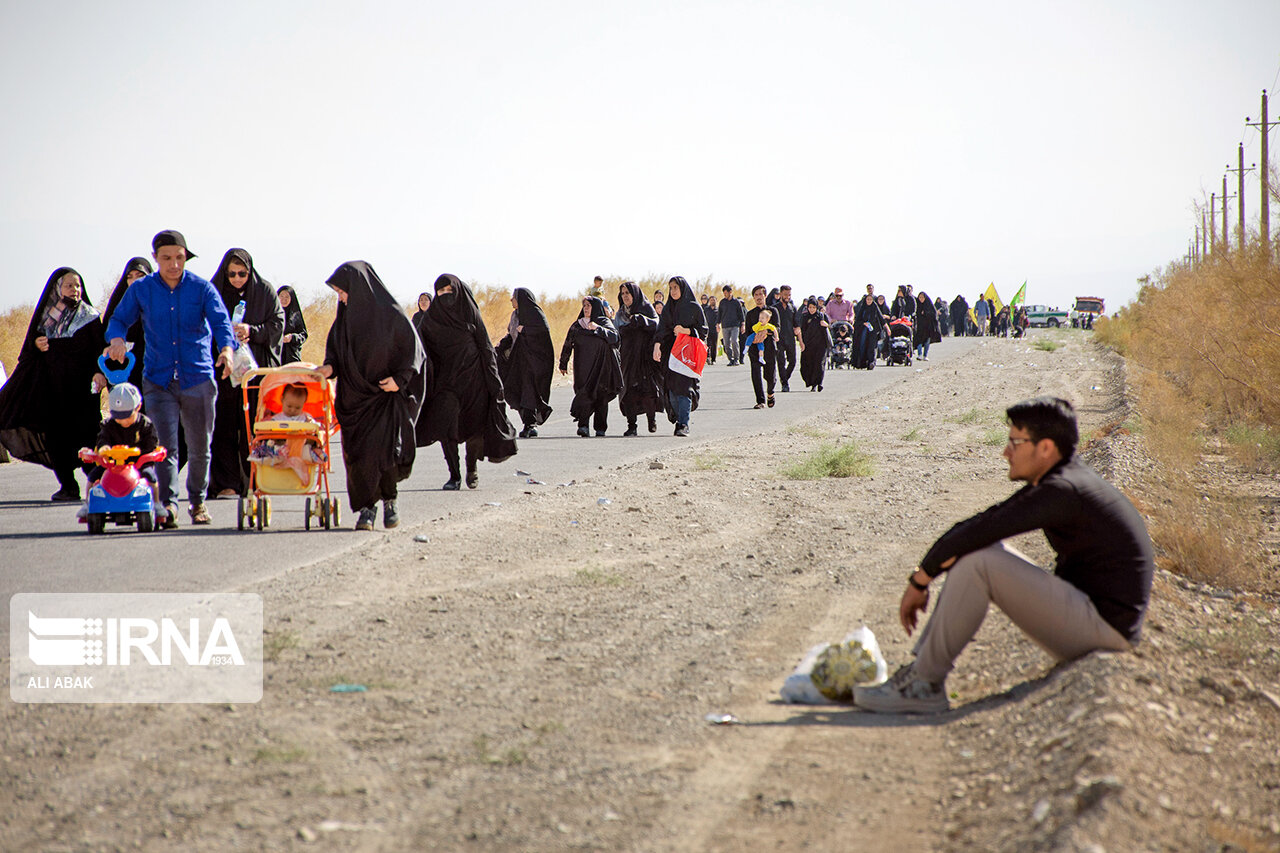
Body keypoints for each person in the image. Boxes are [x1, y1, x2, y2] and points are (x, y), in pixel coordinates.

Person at [855, 397, 1154, 714]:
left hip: (1105, 631)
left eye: (1015, 442)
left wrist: (919, 581)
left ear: (1045, 449)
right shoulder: (1064, 479)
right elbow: (983, 525)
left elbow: (980, 529)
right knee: (980, 551)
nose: (1006, 452)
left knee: (980, 561)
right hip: (1095, 619)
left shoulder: (1063, 490)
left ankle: (924, 684)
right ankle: (921, 674)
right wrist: (923, 577)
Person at [104, 231, 236, 527]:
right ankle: (169, 505)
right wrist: (116, 339)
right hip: (158, 379)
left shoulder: (202, 289)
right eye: (167, 258)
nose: (174, 264)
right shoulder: (142, 289)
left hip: (198, 377)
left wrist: (227, 350)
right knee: (164, 446)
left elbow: (221, 322)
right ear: (156, 258)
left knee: (200, 444)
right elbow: (118, 319)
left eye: (179, 257)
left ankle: (198, 502)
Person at [318, 261, 427, 530]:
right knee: (358, 459)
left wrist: (399, 381)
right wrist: (328, 368)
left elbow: (414, 351)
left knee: (386, 453)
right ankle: (366, 509)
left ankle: (390, 501)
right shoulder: (343, 320)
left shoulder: (391, 315)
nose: (341, 298)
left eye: (343, 292)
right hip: (353, 401)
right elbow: (336, 353)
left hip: (384, 397)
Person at [0, 267, 108, 501]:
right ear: (58, 288)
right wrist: (36, 345)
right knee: (57, 436)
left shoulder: (90, 317)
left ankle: (98, 483)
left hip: (83, 392)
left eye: (78, 285)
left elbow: (100, 350)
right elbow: (28, 353)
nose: (75, 290)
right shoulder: (46, 318)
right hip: (53, 391)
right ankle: (68, 486)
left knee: (88, 434)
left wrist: (101, 374)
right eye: (69, 285)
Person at [417, 273, 517, 490]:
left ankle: (471, 468)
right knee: (446, 428)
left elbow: (486, 347)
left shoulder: (469, 313)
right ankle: (454, 475)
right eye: (440, 292)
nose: (445, 296)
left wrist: (494, 378)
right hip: (445, 383)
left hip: (474, 380)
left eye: (449, 291)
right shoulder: (432, 318)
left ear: (458, 292)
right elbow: (418, 349)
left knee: (474, 428)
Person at [208, 248, 284, 500]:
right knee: (224, 427)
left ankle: (256, 481)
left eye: (242, 273)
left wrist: (253, 331)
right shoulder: (213, 291)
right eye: (232, 274)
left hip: (255, 374)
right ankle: (227, 483)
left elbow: (277, 324)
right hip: (224, 371)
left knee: (254, 427)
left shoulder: (264, 292)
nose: (237, 279)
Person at [79, 382, 162, 522]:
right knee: (93, 475)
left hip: (138, 463)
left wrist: (140, 453)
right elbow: (103, 439)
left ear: (138, 407)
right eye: (118, 416)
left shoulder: (145, 424)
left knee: (150, 476)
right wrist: (103, 448)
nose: (123, 421)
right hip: (113, 465)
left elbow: (151, 444)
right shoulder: (108, 425)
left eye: (127, 416)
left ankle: (157, 503)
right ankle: (88, 504)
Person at [559, 296, 622, 437]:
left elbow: (615, 338)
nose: (586, 308)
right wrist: (563, 362)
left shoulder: (604, 322)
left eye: (589, 305)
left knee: (601, 396)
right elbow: (568, 343)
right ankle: (583, 426)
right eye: (584, 305)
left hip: (601, 367)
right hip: (582, 367)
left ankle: (600, 428)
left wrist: (598, 328)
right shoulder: (577, 325)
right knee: (584, 394)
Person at [495, 288, 554, 438]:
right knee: (514, 390)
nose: (511, 300)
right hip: (517, 361)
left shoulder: (535, 314)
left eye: (514, 297)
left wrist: (526, 330)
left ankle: (530, 425)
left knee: (528, 391)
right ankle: (528, 423)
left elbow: (543, 335)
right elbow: (512, 335)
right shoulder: (515, 315)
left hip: (533, 363)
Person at [652, 275, 706, 436]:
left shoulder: (694, 307)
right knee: (671, 390)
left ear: (683, 288)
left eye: (676, 287)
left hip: (687, 355)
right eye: (671, 288)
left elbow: (703, 331)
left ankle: (683, 424)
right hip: (670, 355)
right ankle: (678, 418)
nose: (673, 291)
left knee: (684, 389)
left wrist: (687, 331)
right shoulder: (668, 308)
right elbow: (661, 329)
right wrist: (657, 346)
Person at [247, 383, 327, 481]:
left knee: (311, 443)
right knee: (268, 444)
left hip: (300, 447)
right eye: (289, 406)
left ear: (303, 404)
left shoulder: (305, 418)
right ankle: (289, 461)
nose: (292, 410)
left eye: (297, 407)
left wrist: (316, 428)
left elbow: (316, 428)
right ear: (282, 400)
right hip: (281, 446)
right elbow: (264, 429)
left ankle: (294, 461)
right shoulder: (276, 419)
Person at [615, 281, 661, 436]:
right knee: (628, 392)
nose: (625, 296)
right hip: (627, 358)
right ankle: (631, 426)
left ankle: (651, 419)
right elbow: (616, 334)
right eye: (623, 293)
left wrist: (642, 320)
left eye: (628, 293)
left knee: (647, 390)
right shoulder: (620, 314)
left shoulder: (646, 308)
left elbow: (656, 324)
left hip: (644, 358)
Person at [101, 257, 154, 390]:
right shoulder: (118, 307)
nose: (134, 280)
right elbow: (105, 339)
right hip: (125, 378)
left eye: (140, 275)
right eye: (130, 277)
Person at [744, 285, 779, 409]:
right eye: (756, 295)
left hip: (769, 347)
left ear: (765, 296)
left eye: (761, 294)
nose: (759, 297)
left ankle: (770, 393)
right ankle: (760, 401)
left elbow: (777, 328)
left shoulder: (772, 312)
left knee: (770, 375)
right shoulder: (750, 314)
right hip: (755, 348)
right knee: (755, 373)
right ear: (753, 297)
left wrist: (766, 333)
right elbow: (747, 332)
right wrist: (754, 338)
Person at [796, 297, 830, 391]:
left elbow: (829, 326)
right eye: (810, 307)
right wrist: (801, 343)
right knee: (808, 364)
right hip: (808, 345)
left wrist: (825, 324)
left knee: (819, 364)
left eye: (814, 307)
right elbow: (801, 330)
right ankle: (811, 382)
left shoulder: (821, 316)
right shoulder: (805, 317)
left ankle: (818, 383)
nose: (812, 309)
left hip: (820, 345)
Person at [769, 285, 797, 392]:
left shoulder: (792, 308)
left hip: (790, 338)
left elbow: (796, 324)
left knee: (793, 361)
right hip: (778, 339)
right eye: (785, 294)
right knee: (781, 362)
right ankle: (785, 384)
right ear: (780, 294)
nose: (787, 297)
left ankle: (784, 377)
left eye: (789, 295)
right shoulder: (775, 308)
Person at [853, 292, 885, 370]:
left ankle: (871, 362)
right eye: (867, 299)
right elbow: (857, 321)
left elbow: (881, 319)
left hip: (873, 331)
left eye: (870, 299)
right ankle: (862, 363)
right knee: (862, 345)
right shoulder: (862, 308)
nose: (869, 301)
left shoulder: (875, 307)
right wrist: (864, 323)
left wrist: (887, 328)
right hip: (863, 330)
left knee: (871, 346)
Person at [277, 285, 308, 364]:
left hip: (291, 358)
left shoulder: (295, 315)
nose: (284, 299)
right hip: (275, 357)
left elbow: (303, 335)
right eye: (281, 296)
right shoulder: (271, 314)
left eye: (287, 297)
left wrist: (292, 337)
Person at [716, 285, 746, 366]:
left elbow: (741, 314)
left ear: (730, 292)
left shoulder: (736, 302)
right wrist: (717, 324)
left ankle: (736, 359)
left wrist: (743, 325)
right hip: (725, 325)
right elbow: (719, 314)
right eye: (724, 293)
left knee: (734, 341)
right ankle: (731, 359)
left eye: (726, 293)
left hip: (735, 326)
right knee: (726, 344)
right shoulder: (722, 302)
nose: (725, 295)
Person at [913, 291, 940, 361]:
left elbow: (934, 314)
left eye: (922, 297)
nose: (921, 299)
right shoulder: (917, 305)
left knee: (927, 341)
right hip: (919, 326)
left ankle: (925, 355)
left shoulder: (929, 305)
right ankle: (919, 355)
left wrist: (925, 313)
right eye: (920, 297)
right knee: (919, 340)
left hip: (928, 327)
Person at [700, 294, 719, 365]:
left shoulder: (718, 310)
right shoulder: (706, 309)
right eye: (711, 300)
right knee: (707, 344)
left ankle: (713, 359)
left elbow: (720, 319)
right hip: (707, 329)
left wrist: (718, 325)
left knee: (714, 344)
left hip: (715, 329)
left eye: (713, 300)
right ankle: (707, 357)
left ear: (716, 301)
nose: (712, 301)